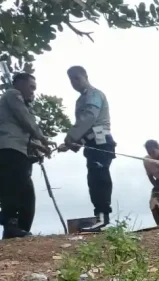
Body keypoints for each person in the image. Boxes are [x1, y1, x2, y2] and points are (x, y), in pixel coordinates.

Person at [0, 72, 54, 239]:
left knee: (26, 191)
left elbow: (21, 135)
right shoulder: (13, 94)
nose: (33, 91)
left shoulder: (21, 101)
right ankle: (11, 226)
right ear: (19, 83)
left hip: (19, 150)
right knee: (12, 189)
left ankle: (22, 229)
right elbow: (25, 118)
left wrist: (39, 146)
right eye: (31, 87)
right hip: (9, 149)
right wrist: (42, 138)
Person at [59, 66, 115, 233]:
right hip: (91, 143)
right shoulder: (80, 99)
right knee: (93, 179)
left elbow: (89, 118)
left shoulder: (93, 94)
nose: (74, 82)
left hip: (101, 141)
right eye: (71, 79)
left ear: (85, 76)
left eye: (77, 78)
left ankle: (103, 216)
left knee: (100, 177)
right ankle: (99, 215)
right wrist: (73, 144)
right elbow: (85, 129)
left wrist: (70, 138)